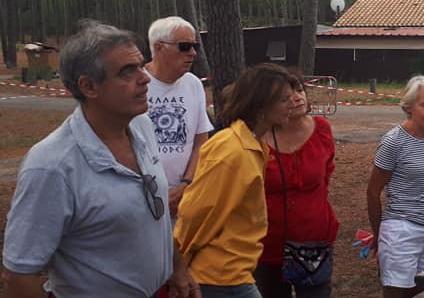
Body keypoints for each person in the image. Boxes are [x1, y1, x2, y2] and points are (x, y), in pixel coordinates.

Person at [2, 20, 198, 298]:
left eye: (141, 66)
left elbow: (157, 214)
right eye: (128, 72)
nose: (145, 78)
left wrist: (177, 268)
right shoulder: (51, 166)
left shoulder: (142, 126)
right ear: (89, 86)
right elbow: (19, 275)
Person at [174, 63, 297, 298]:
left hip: (233, 272)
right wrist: (178, 266)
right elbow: (196, 212)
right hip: (218, 277)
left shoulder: (253, 146)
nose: (292, 104)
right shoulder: (231, 151)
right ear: (261, 106)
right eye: (283, 100)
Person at [255, 72, 339, 298]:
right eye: (286, 96)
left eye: (300, 90)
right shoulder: (256, 138)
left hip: (314, 240)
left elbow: (326, 175)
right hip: (266, 243)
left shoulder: (322, 129)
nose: (297, 98)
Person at [366, 75, 424, 298]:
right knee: (398, 292)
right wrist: (378, 233)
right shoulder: (394, 141)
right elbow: (373, 192)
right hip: (400, 230)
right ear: (409, 107)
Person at [146, 16, 214, 217]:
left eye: (195, 46)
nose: (192, 53)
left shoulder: (193, 84)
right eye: (184, 46)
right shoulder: (136, 84)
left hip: (186, 195)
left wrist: (186, 184)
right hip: (143, 196)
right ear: (159, 48)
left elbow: (201, 140)